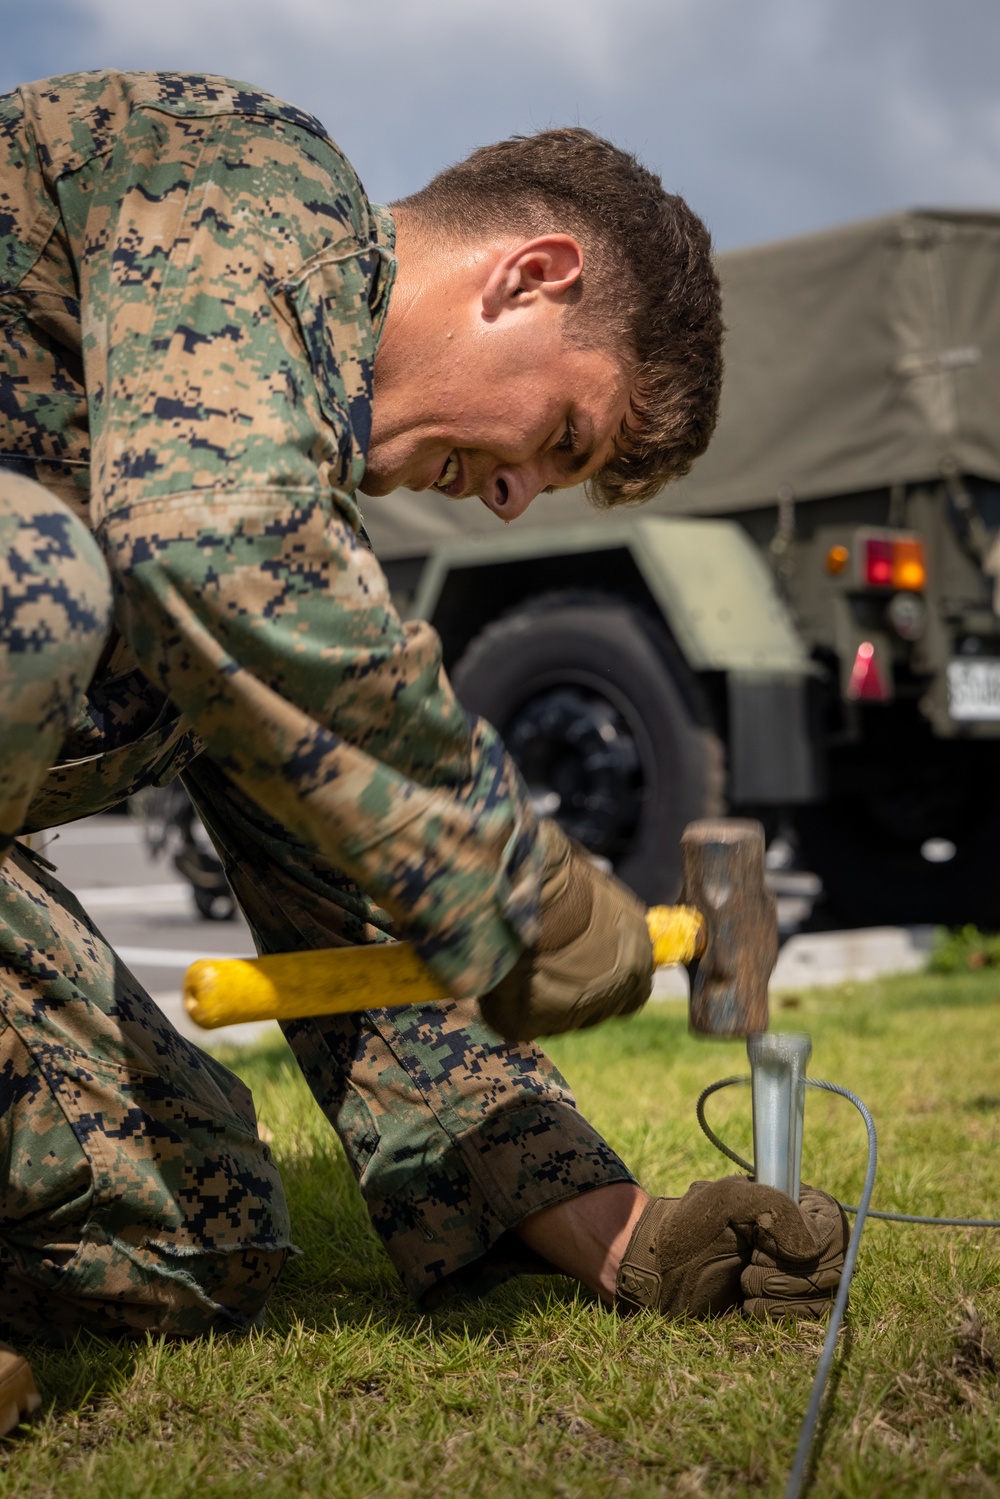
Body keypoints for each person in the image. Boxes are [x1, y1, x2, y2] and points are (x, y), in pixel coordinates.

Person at [0, 69, 846, 1403]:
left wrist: (625, 1238)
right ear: (533, 276)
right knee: (34, 576)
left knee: (190, 1228)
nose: (511, 501)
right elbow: (210, 545)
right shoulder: (247, 173)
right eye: (557, 437)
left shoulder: (278, 518)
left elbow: (356, 887)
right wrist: (530, 875)